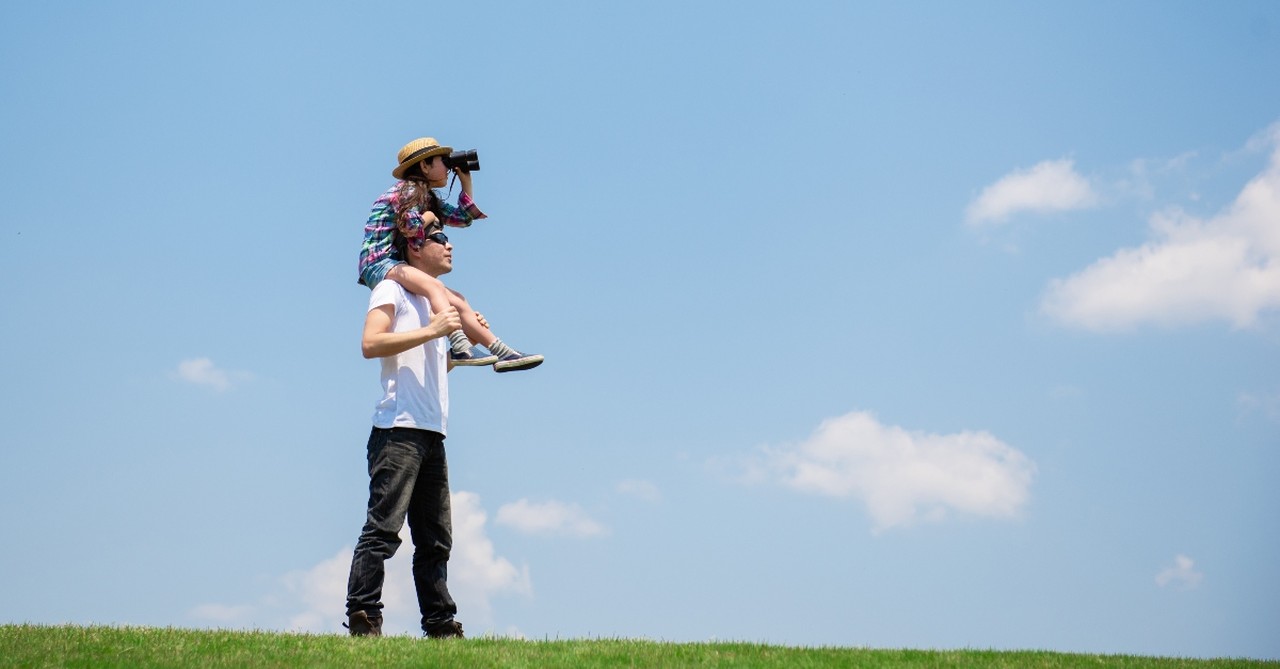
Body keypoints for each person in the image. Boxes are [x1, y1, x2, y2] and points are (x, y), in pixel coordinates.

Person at [345, 227, 468, 639]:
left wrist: (455, 348)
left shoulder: (436, 301)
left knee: (436, 539)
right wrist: (436, 330)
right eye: (439, 237)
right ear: (413, 246)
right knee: (383, 529)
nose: (449, 244)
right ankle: (363, 616)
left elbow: (432, 366)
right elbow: (370, 343)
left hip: (434, 431)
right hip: (397, 430)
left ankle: (441, 625)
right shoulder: (391, 290)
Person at [358, 136, 542, 373]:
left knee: (458, 300)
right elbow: (410, 226)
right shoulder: (408, 189)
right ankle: (459, 344)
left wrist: (466, 181)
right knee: (434, 288)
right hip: (378, 261)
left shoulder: (427, 196)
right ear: (424, 166)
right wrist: (430, 217)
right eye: (442, 161)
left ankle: (503, 351)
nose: (447, 167)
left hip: (394, 262)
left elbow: (462, 219)